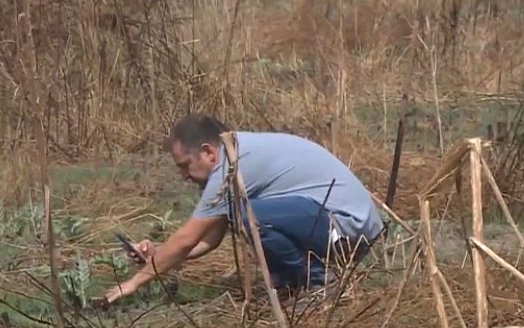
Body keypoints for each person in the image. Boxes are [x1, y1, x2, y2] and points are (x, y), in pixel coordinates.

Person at [102, 114, 384, 304]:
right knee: (243, 216)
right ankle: (293, 283)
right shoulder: (233, 156)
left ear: (208, 152)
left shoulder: (230, 164)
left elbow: (188, 238)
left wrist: (134, 282)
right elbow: (208, 240)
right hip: (337, 223)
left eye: (185, 165)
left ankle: (320, 283)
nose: (184, 176)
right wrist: (159, 256)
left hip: (348, 227)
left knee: (248, 216)